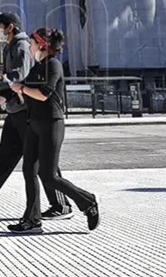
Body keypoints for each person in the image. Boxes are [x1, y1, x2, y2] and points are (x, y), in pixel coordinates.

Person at [0, 13, 72, 219]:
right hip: (15, 111)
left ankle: (61, 205)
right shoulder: (11, 47)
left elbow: (18, 78)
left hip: (27, 113)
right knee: (3, 158)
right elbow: (12, 87)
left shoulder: (21, 47)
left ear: (10, 27)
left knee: (43, 161)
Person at [6, 28, 100, 233]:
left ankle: (88, 201)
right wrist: (16, 90)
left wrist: (21, 88)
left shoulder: (53, 65)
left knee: (49, 176)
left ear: (41, 45)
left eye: (32, 43)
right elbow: (28, 94)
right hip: (34, 124)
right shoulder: (37, 67)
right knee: (29, 170)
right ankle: (32, 220)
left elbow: (43, 94)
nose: (29, 47)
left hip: (51, 125)